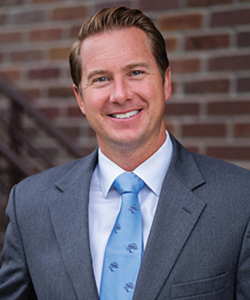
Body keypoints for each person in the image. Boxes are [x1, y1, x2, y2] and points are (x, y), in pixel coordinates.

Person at [0, 6, 250, 300]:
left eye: (135, 72)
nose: (120, 94)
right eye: (101, 79)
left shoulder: (240, 200)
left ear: (166, 82)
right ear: (80, 97)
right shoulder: (30, 205)